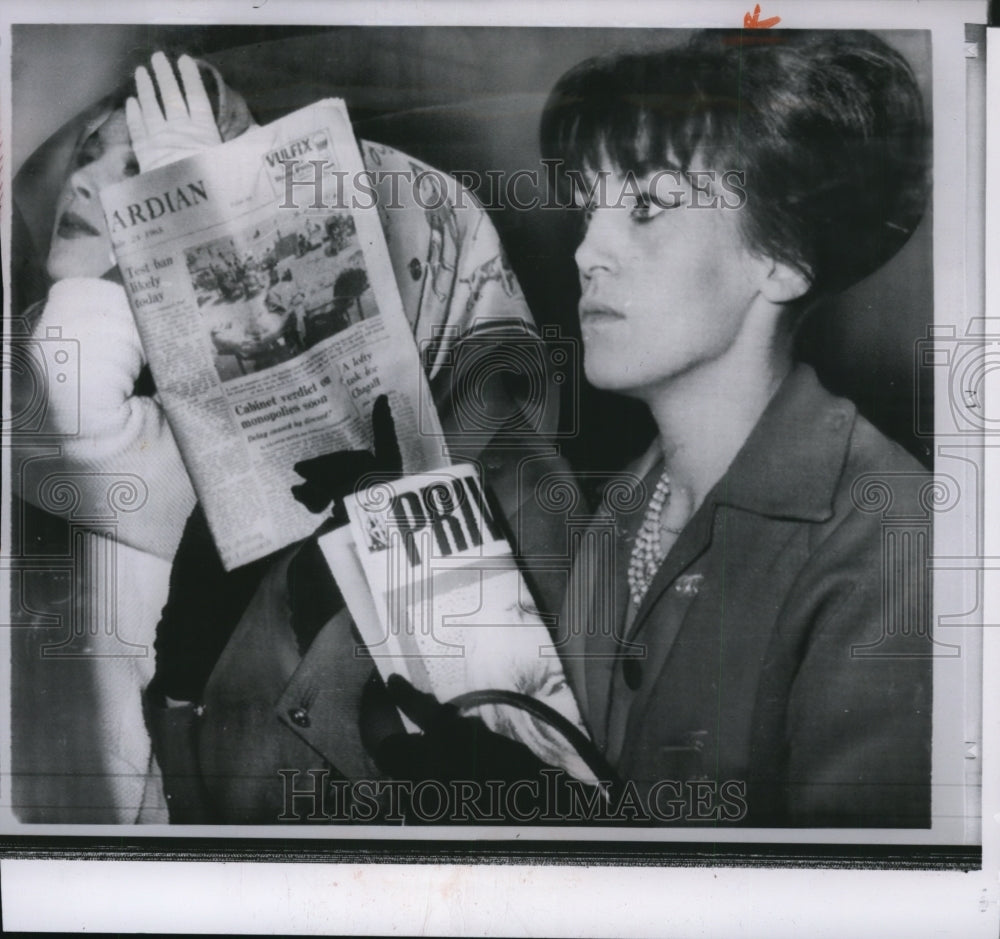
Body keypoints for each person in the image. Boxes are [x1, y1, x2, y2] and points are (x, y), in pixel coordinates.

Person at [368, 29, 934, 828]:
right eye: (590, 207)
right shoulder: (621, 516)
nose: (588, 250)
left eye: (645, 207)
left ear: (784, 258)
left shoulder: (896, 537)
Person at [10, 55, 255, 822]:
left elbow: (66, 415)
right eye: (89, 161)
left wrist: (173, 243)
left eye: (139, 174)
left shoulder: (201, 435)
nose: (84, 186)